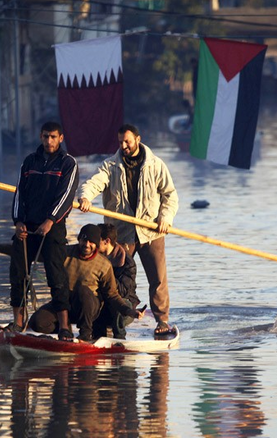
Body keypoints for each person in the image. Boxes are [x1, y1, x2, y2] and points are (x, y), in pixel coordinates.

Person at [78, 123, 179, 337]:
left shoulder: (156, 165)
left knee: (158, 278)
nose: (124, 146)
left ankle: (161, 320)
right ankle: (106, 319)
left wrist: (165, 218)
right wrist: (86, 196)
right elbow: (95, 183)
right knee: (111, 278)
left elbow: (170, 195)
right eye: (121, 142)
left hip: (151, 231)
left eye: (127, 141)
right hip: (121, 235)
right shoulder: (110, 166)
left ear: (138, 140)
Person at [5, 121, 79, 341]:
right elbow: (20, 194)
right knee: (18, 274)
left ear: (61, 138)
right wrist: (18, 222)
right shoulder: (29, 162)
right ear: (40, 137)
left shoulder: (68, 163)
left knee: (57, 277)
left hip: (53, 229)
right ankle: (18, 322)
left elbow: (66, 196)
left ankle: (65, 327)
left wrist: (50, 220)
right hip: (27, 227)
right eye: (46, 137)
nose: (49, 141)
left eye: (53, 137)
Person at [28, 224, 143, 342]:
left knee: (83, 291)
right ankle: (66, 330)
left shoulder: (104, 265)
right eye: (84, 240)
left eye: (91, 242)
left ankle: (85, 334)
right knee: (38, 322)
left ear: (97, 244)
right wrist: (19, 249)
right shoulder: (65, 253)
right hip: (64, 304)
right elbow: (42, 255)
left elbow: (112, 295)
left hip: (89, 308)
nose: (87, 245)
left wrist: (129, 311)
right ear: (79, 240)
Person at [92, 223, 140, 339]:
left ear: (106, 241)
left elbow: (123, 291)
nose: (93, 243)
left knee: (120, 302)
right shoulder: (94, 257)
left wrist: (106, 271)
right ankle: (96, 336)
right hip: (102, 306)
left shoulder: (127, 262)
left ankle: (120, 337)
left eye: (96, 240)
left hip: (125, 308)